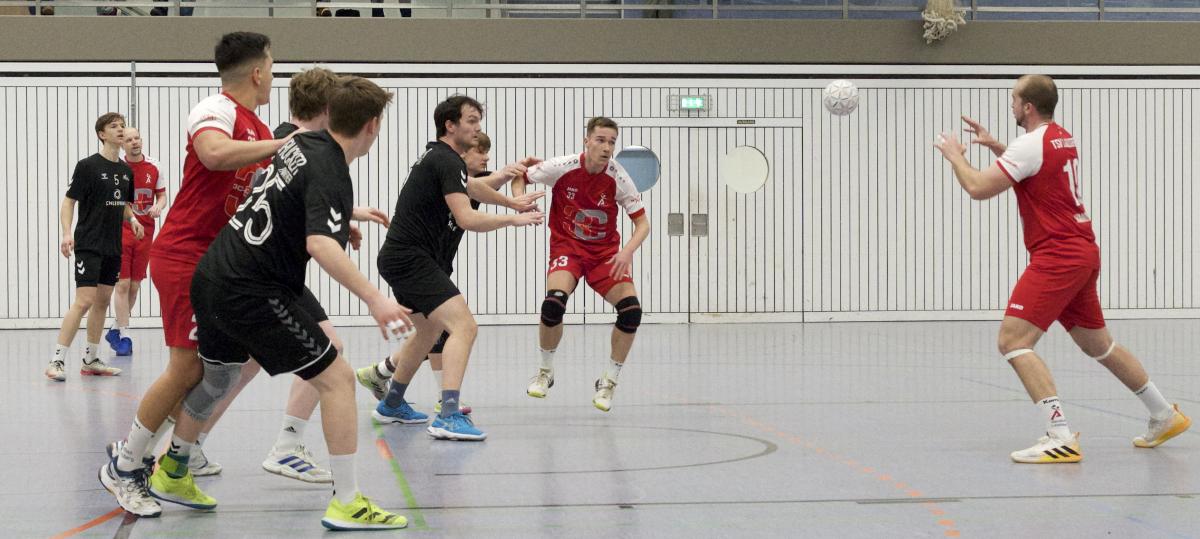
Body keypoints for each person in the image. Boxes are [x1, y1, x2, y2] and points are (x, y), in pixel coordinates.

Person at [135, 76, 411, 529]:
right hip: (251, 287)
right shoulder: (331, 167)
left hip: (214, 273)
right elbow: (321, 244)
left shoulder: (295, 144)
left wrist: (344, 218)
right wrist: (376, 299)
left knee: (219, 375)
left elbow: (286, 200)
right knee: (338, 378)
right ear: (373, 125)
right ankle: (346, 501)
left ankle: (173, 468)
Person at [934, 74, 1191, 463]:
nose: (1011, 105)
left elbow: (977, 188)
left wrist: (956, 156)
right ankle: (1163, 414)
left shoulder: (1030, 144)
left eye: (1014, 99)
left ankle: (1060, 435)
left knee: (1013, 341)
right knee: (1098, 345)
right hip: (1082, 251)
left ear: (1028, 107)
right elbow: (1035, 171)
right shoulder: (1059, 136)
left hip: (1058, 256)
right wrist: (999, 148)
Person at [100, 31, 287, 517]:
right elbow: (212, 155)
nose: (274, 74)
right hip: (184, 255)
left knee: (220, 367)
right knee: (187, 368)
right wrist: (281, 144)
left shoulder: (257, 125)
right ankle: (125, 466)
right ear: (257, 70)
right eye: (272, 65)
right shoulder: (216, 109)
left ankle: (169, 460)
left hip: (218, 263)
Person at [367, 95, 543, 441]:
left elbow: (473, 186)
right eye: (472, 121)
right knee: (464, 326)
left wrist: (509, 198)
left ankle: (391, 403)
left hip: (403, 258)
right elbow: (466, 217)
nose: (478, 129)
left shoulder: (443, 159)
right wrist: (512, 218)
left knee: (429, 331)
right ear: (451, 125)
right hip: (411, 259)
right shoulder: (446, 160)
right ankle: (448, 414)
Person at [514, 116, 651, 412]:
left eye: (612, 142)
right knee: (554, 303)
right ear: (586, 140)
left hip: (605, 255)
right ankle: (545, 372)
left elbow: (642, 224)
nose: (606, 147)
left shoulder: (619, 177)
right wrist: (520, 202)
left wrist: (626, 252)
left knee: (631, 312)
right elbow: (520, 176)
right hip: (569, 248)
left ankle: (609, 382)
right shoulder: (562, 167)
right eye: (600, 140)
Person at [45, 112, 143, 381]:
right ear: (102, 134)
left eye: (123, 126)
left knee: (102, 301)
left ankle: (91, 358)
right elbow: (69, 202)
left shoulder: (125, 171)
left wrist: (132, 219)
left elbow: (123, 203)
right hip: (89, 243)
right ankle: (57, 360)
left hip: (114, 245)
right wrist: (67, 234)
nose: (121, 130)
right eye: (114, 127)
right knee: (85, 301)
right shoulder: (87, 166)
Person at [105, 126, 167, 356]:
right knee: (121, 284)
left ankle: (115, 328)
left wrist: (159, 206)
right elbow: (115, 200)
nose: (134, 142)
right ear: (122, 145)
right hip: (121, 230)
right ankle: (125, 335)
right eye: (128, 139)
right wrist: (130, 219)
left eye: (136, 138)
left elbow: (161, 194)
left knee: (134, 286)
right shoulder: (117, 168)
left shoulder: (154, 165)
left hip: (146, 232)